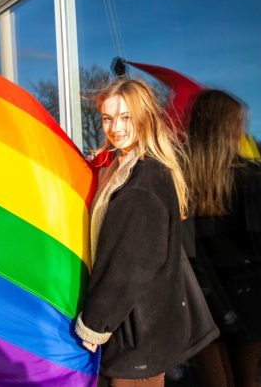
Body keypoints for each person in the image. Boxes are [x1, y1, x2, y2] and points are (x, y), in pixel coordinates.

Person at [74, 79, 218, 386]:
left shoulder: (143, 179)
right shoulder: (124, 167)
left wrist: (95, 324)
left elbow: (129, 264)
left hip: (137, 333)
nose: (115, 128)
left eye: (125, 117)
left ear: (145, 118)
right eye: (107, 118)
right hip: (137, 327)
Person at [184, 89, 261, 387]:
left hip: (201, 301)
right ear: (228, 128)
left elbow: (184, 249)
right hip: (249, 299)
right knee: (248, 378)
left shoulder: (180, 179)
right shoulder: (251, 177)